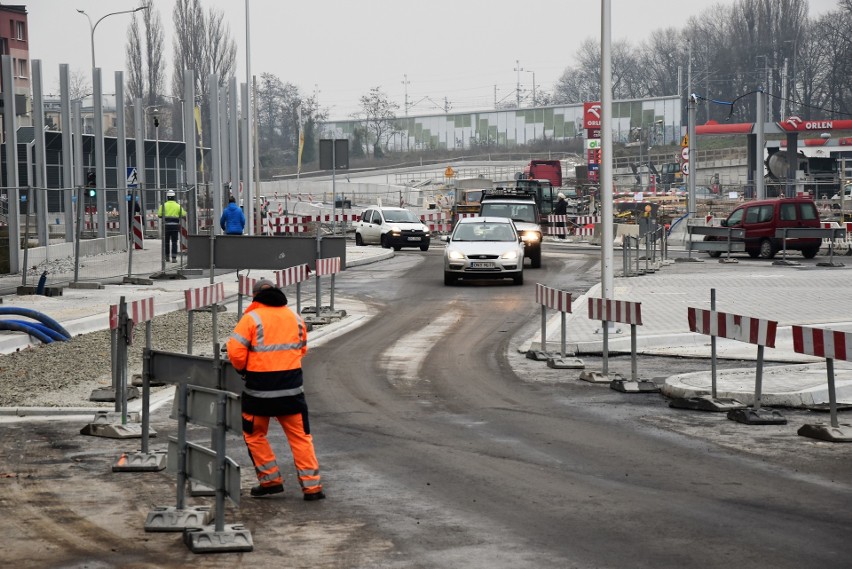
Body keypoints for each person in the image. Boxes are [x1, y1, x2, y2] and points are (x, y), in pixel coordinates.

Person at [227, 279, 325, 501]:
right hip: (291, 390)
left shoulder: (251, 318)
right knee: (301, 437)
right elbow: (302, 349)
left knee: (254, 434)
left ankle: (270, 481)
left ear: (254, 296)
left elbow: (235, 352)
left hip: (259, 392)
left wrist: (244, 371)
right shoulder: (295, 317)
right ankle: (312, 488)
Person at [157, 190, 186, 262]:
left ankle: (167, 257)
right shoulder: (178, 206)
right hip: (175, 227)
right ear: (174, 197)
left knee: (166, 242)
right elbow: (183, 214)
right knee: (174, 242)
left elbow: (159, 215)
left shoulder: (163, 205)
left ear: (167, 197)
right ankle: (174, 258)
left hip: (166, 227)